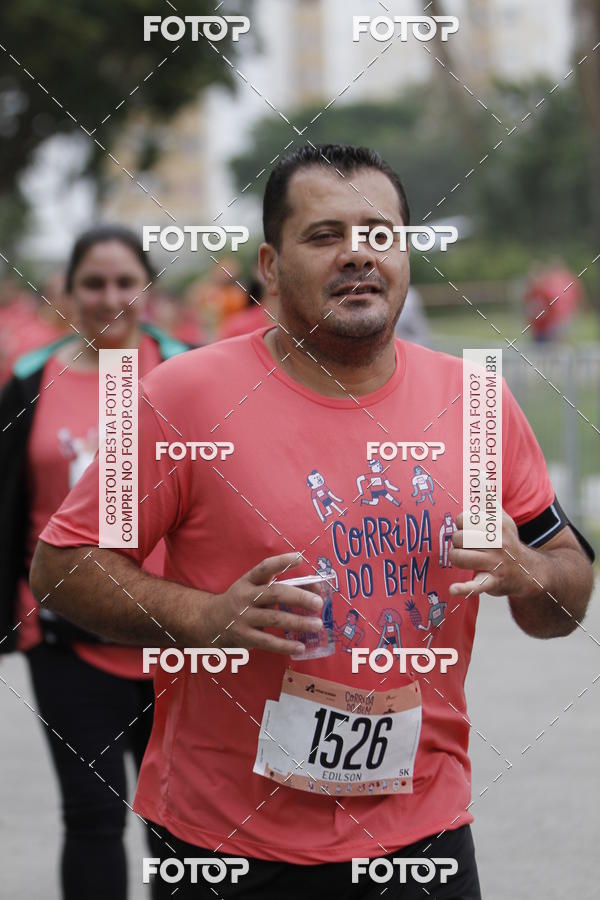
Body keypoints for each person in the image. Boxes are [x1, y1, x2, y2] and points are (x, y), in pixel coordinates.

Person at [30, 147, 595, 899]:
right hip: (225, 845)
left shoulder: (478, 403)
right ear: (271, 264)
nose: (358, 253)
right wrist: (206, 618)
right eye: (325, 235)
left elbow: (568, 591)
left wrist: (530, 573)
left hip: (420, 839)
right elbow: (63, 563)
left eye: (379, 234)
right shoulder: (180, 396)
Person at [0, 224, 189, 900]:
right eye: (94, 283)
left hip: (180, 636)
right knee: (92, 819)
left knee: (184, 828)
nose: (110, 298)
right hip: (66, 642)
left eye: (125, 282)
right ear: (67, 292)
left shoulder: (187, 371)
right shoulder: (30, 380)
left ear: (148, 288)